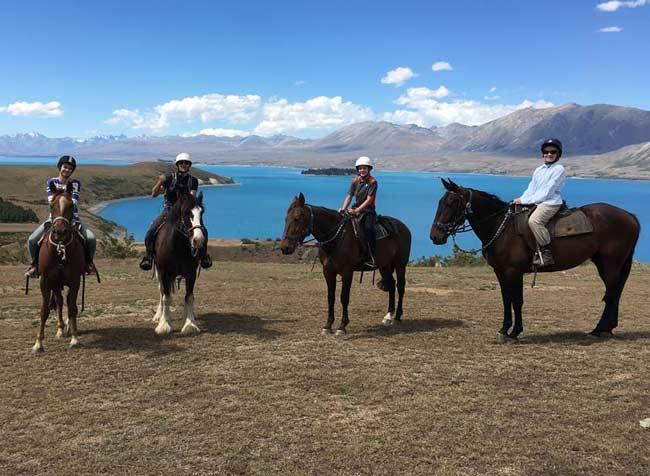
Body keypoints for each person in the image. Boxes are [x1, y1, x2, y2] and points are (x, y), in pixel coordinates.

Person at [25, 155, 96, 277]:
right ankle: (35, 265)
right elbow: (51, 201)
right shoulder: (51, 182)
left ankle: (89, 264)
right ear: (60, 167)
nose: (67, 170)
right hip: (54, 219)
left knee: (91, 238)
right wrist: (64, 197)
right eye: (65, 167)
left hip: (72, 219)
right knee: (32, 240)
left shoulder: (75, 183)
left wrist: (61, 198)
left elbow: (73, 202)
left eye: (70, 168)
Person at [139, 152, 212, 271]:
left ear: (189, 165)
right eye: (182, 163)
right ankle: (149, 257)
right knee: (152, 230)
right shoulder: (169, 178)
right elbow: (154, 194)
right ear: (177, 164)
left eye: (187, 163)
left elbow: (191, 198)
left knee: (203, 231)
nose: (184, 164)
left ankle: (203, 257)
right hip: (169, 210)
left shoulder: (193, 181)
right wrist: (160, 182)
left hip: (185, 211)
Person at [513, 138, 567, 267]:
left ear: (558, 154)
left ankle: (546, 253)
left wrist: (526, 201)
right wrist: (520, 199)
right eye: (546, 152)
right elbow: (531, 188)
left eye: (553, 152)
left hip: (550, 203)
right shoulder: (539, 170)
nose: (549, 154)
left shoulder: (559, 169)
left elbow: (548, 191)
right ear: (543, 153)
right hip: (536, 201)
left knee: (534, 221)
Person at [339, 156, 378, 267]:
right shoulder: (355, 181)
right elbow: (349, 195)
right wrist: (343, 208)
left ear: (369, 169)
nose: (362, 170)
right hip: (355, 210)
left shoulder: (373, 182)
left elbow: (369, 199)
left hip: (368, 211)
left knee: (369, 229)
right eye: (360, 168)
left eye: (364, 168)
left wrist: (357, 210)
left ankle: (372, 257)